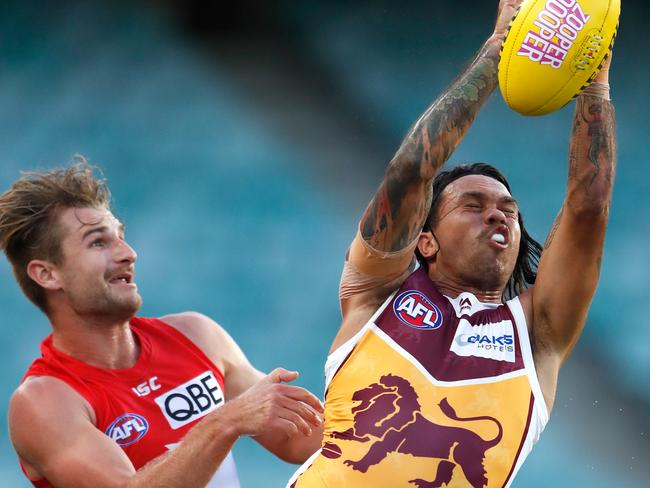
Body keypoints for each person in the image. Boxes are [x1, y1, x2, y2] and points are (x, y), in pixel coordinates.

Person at [288, 0, 616, 486]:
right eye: (473, 205)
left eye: (508, 210)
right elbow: (409, 172)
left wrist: (595, 83)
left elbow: (587, 210)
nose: (497, 215)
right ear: (425, 242)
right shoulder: (376, 293)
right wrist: (496, 51)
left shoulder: (538, 333)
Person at [0, 159, 325, 488]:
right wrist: (224, 423)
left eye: (121, 237)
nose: (128, 253)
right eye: (98, 242)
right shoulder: (43, 401)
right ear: (47, 274)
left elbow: (300, 441)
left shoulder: (197, 335)